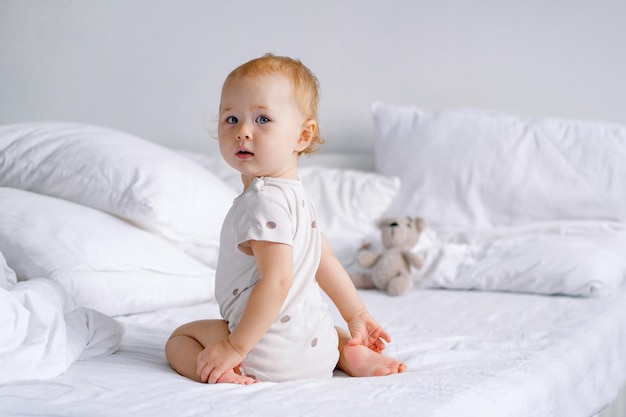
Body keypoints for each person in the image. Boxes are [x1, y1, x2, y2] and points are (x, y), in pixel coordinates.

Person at [165, 53, 406, 384]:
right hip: (317, 353)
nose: (243, 131)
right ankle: (349, 354)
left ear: (303, 136)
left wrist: (235, 348)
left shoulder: (261, 202)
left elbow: (276, 282)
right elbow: (326, 260)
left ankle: (219, 372)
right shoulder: (297, 196)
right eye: (231, 119)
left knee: (180, 339)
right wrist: (357, 315)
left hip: (264, 354)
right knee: (326, 328)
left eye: (262, 119)